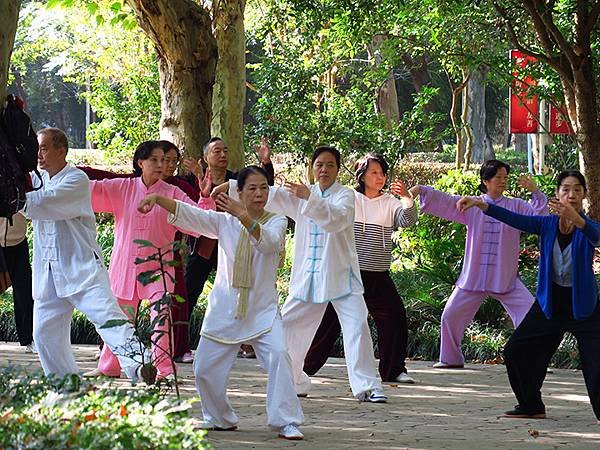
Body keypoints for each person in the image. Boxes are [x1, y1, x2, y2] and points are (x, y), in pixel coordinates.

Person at [138, 166, 304, 440]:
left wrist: (240, 214)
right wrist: (157, 199)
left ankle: (286, 420)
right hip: (225, 308)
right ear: (239, 192)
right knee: (203, 367)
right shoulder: (223, 222)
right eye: (251, 188)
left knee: (279, 356)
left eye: (264, 188)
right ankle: (219, 418)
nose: (259, 194)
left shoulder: (277, 221)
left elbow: (269, 243)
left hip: (262, 310)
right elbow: (192, 214)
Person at [225, 146, 386, 402]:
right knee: (288, 326)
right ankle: (294, 380)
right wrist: (226, 186)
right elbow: (266, 193)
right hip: (308, 279)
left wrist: (309, 199)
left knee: (356, 327)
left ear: (337, 169)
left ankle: (368, 387)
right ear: (312, 168)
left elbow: (336, 220)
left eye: (330, 165)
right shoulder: (300, 193)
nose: (324, 169)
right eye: (319, 165)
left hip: (341, 277)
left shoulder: (345, 196)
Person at [457, 170, 600, 422]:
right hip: (550, 304)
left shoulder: (588, 228)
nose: (571, 194)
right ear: (557, 194)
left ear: (584, 195)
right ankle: (530, 404)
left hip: (584, 308)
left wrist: (576, 220)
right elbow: (514, 218)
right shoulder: (545, 224)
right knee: (515, 351)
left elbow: (596, 236)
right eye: (565, 189)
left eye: (577, 189)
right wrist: (482, 205)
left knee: (597, 362)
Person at [25, 127, 142, 379]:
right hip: (48, 274)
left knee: (108, 318)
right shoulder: (37, 179)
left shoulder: (76, 179)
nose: (39, 154)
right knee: (44, 334)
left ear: (61, 150)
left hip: (82, 267)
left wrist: (13, 198)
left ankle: (140, 366)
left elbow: (44, 203)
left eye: (44, 148)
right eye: (37, 149)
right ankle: (66, 387)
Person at [409, 160, 548, 368]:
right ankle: (450, 359)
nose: (503, 181)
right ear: (486, 181)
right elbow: (447, 201)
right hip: (474, 277)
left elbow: (541, 219)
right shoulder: (471, 203)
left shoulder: (516, 206)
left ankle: (535, 361)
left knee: (531, 314)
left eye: (505, 178)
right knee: (450, 315)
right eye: (498, 177)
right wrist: (420, 190)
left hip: (505, 278)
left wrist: (535, 191)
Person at [79, 140, 200, 364]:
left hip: (159, 268)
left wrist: (206, 192)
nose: (160, 164)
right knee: (119, 321)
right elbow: (89, 189)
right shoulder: (123, 187)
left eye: (163, 160)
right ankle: (109, 365)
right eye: (154, 159)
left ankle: (162, 368)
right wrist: (60, 175)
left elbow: (197, 217)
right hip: (125, 267)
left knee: (162, 317)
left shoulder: (172, 193)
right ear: (140, 163)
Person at [303, 153, 418, 383]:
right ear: (361, 175)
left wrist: (406, 198)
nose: (380, 177)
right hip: (348, 272)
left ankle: (393, 370)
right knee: (329, 321)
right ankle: (304, 367)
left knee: (394, 317)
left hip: (378, 275)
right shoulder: (348, 197)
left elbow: (407, 220)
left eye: (383, 173)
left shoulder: (389, 202)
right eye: (374, 172)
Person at [184, 136, 273, 359]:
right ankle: (180, 345)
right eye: (217, 151)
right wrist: (198, 179)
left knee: (241, 291)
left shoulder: (237, 180)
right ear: (206, 157)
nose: (223, 155)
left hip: (233, 245)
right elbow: (186, 210)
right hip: (204, 245)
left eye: (225, 150)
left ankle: (248, 343)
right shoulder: (191, 179)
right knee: (189, 292)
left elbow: (264, 188)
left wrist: (266, 164)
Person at [0, 212, 35, 353]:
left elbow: (33, 211)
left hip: (18, 243)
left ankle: (29, 339)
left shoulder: (23, 189)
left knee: (24, 291)